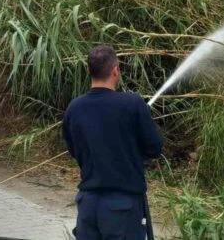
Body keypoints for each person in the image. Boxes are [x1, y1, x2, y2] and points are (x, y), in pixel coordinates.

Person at [62, 45, 163, 240]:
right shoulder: (133, 104)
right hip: (122, 208)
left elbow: (74, 149)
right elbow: (154, 148)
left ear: (88, 70)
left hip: (88, 206)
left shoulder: (75, 108)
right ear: (115, 70)